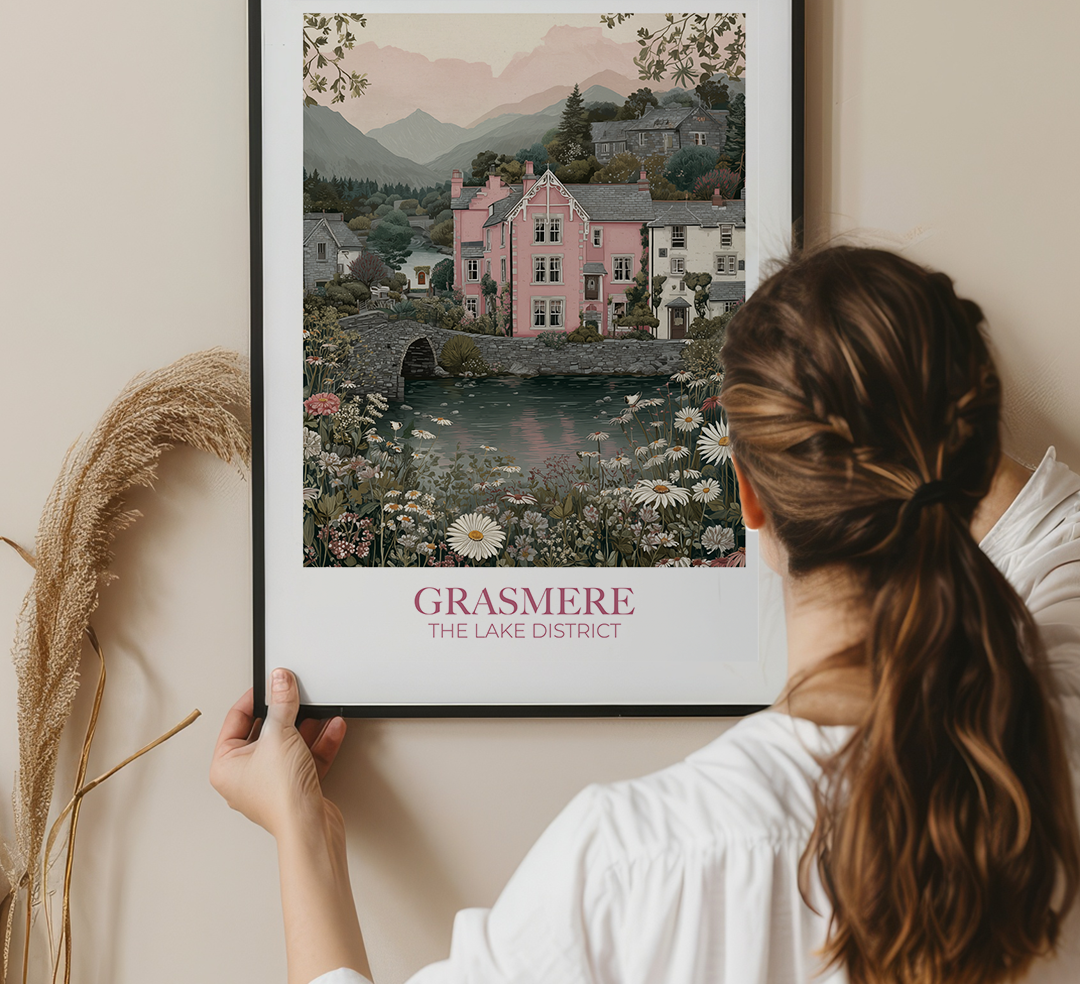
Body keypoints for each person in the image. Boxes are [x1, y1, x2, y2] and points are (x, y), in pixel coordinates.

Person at [211, 246, 1080, 984]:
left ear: (747, 495)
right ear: (966, 457)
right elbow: (1046, 515)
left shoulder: (643, 866)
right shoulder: (1055, 723)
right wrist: (920, 410)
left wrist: (302, 828)